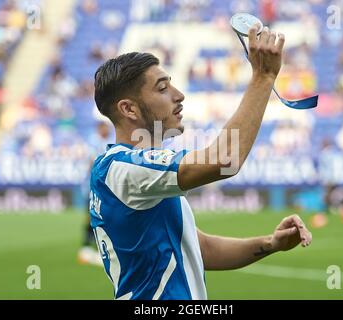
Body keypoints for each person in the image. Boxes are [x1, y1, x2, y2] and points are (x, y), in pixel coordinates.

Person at [90, 25, 312, 300]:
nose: (178, 94)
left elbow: (200, 248)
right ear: (128, 109)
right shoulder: (122, 168)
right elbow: (224, 159)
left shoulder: (138, 173)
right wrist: (263, 76)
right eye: (162, 88)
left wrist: (271, 243)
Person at [78, 121, 112, 266]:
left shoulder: (108, 142)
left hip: (102, 186)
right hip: (93, 186)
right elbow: (91, 162)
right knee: (91, 216)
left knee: (101, 215)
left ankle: (98, 246)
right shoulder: (94, 142)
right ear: (100, 129)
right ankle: (86, 244)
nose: (107, 130)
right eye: (105, 128)